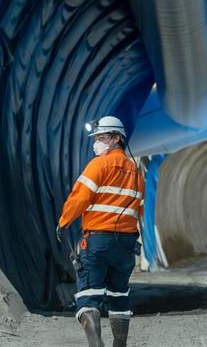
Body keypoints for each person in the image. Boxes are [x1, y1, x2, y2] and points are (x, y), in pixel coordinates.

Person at [57, 116, 145, 347]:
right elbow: (140, 210)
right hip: (125, 245)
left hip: (98, 241)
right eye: (96, 138)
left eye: (102, 137)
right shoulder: (137, 174)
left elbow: (80, 197)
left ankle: (96, 345)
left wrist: (64, 221)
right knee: (119, 295)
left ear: (117, 138)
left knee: (88, 295)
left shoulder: (98, 165)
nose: (97, 142)